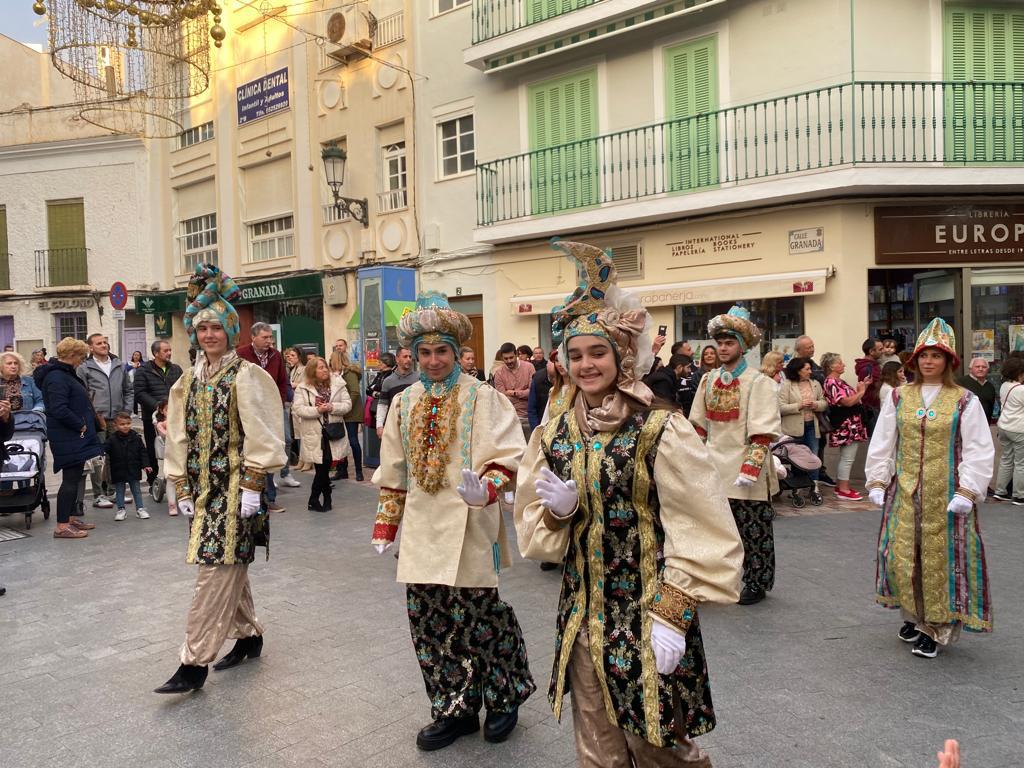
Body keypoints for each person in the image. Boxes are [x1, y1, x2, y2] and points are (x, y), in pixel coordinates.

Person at [515, 239, 742, 768]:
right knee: (597, 748)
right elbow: (534, 530)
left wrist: (674, 613)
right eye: (575, 355)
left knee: (659, 745)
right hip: (582, 613)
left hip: (646, 614)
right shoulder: (553, 434)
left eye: (597, 352)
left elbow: (704, 526)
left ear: (623, 357)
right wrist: (558, 512)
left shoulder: (660, 428)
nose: (586, 364)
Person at [371, 291, 535, 752]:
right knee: (431, 623)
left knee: (484, 619)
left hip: (471, 522)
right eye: (424, 352)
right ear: (413, 355)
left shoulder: (483, 398)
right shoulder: (404, 402)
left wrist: (488, 488)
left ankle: (504, 697)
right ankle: (454, 706)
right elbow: (394, 468)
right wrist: (386, 524)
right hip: (423, 530)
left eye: (441, 350)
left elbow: (508, 455)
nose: (433, 359)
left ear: (458, 352)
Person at [156, 264, 285, 695]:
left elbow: (264, 432)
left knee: (214, 571)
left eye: (217, 327)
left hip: (236, 490)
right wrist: (180, 484)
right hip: (203, 491)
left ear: (232, 331)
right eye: (203, 328)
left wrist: (253, 485)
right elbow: (178, 434)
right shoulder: (188, 380)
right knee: (228, 567)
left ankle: (193, 663)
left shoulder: (247, 376)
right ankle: (249, 637)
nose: (210, 334)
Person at [865, 318, 993, 659]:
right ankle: (913, 615)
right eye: (924, 355)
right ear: (915, 360)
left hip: (947, 496)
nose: (929, 361)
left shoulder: (964, 400)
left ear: (949, 361)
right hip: (905, 492)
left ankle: (936, 626)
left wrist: (968, 490)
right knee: (903, 556)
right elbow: (883, 441)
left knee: (943, 561)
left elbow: (978, 448)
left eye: (937, 356)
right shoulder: (898, 396)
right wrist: (878, 479)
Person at [690, 305, 781, 606]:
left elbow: (763, 431)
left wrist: (751, 467)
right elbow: (698, 425)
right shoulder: (708, 380)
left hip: (744, 467)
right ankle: (717, 579)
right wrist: (693, 461)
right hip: (714, 465)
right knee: (715, 529)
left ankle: (757, 581)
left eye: (729, 343)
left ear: (742, 347)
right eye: (720, 343)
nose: (723, 348)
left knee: (753, 530)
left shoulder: (758, 382)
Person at [35, 338, 103, 539]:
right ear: (72, 356)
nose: (82, 360)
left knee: (74, 476)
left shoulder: (64, 373)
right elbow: (58, 408)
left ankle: (71, 517)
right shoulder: (57, 377)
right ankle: (62, 525)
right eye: (81, 356)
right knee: (70, 479)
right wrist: (80, 424)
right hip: (69, 435)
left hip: (73, 434)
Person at [237, 322, 295, 511]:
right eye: (265, 337)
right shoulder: (241, 355)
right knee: (252, 451)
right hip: (249, 410)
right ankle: (251, 493)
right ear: (253, 337)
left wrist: (278, 402)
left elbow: (281, 382)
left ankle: (270, 497)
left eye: (271, 337)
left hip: (271, 410)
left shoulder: (276, 356)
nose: (270, 341)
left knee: (274, 446)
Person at [78, 333, 133, 510]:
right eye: (99, 343)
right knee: (97, 457)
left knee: (116, 455)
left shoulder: (118, 365)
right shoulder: (85, 367)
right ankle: (98, 494)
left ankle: (113, 490)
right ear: (91, 348)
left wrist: (126, 411)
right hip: (97, 418)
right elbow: (82, 394)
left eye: (105, 342)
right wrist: (92, 414)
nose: (104, 345)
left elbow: (128, 390)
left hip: (117, 416)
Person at [294, 355, 352, 511]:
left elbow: (347, 405)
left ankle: (316, 499)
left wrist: (332, 407)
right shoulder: (303, 388)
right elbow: (298, 409)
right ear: (313, 370)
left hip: (333, 432)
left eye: (326, 366)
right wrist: (317, 410)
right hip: (315, 433)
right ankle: (323, 498)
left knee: (325, 467)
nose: (325, 370)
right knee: (322, 468)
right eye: (321, 367)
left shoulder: (338, 384)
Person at [778, 356, 828, 504]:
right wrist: (799, 405)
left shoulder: (815, 384)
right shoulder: (787, 385)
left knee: (813, 456)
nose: (810, 371)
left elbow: (824, 402)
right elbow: (780, 407)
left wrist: (816, 405)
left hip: (812, 425)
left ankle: (814, 487)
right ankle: (797, 488)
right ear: (798, 371)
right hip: (793, 427)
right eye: (807, 369)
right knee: (796, 457)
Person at [132, 340, 183, 485]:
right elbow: (140, 393)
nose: (169, 353)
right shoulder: (143, 370)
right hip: (152, 417)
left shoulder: (176, 369)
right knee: (153, 449)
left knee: (176, 447)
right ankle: (152, 479)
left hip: (175, 417)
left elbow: (183, 389)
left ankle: (175, 476)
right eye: (166, 350)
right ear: (156, 353)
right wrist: (158, 407)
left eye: (170, 350)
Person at [821, 353, 869, 501]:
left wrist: (861, 388)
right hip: (846, 423)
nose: (843, 365)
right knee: (848, 457)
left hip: (850, 422)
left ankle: (842, 485)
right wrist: (861, 392)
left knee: (847, 456)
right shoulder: (832, 382)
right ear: (832, 366)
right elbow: (846, 402)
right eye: (840, 363)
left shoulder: (837, 381)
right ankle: (843, 489)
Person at [104, 411, 151, 521]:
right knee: (120, 490)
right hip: (118, 469)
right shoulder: (112, 439)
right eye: (122, 424)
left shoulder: (136, 437)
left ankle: (140, 509)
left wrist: (146, 465)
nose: (125, 426)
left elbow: (143, 452)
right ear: (116, 426)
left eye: (128, 423)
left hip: (133, 468)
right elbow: (105, 449)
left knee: (136, 490)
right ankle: (121, 510)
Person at [328, 349, 363, 482]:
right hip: (340, 412)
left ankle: (359, 471)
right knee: (340, 441)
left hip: (350, 412)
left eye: (331, 359)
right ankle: (342, 471)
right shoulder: (334, 375)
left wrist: (346, 408)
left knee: (353, 441)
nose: (329, 361)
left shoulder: (350, 373)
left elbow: (354, 392)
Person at [994, 356, 1024, 504]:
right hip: (1019, 429)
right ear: (1019, 372)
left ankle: (1000, 491)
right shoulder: (1021, 389)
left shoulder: (1004, 386)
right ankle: (1019, 495)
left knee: (1006, 459)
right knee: (1021, 463)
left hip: (1004, 427)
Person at [493, 341, 533, 441]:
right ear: (502, 358)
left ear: (516, 355)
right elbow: (502, 398)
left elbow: (532, 393)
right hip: (509, 419)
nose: (509, 361)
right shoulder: (499, 373)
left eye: (511, 357)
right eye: (506, 359)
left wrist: (513, 393)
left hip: (528, 417)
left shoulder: (529, 367)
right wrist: (523, 393)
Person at [375, 347, 417, 438]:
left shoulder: (419, 379)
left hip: (416, 426)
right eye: (405, 356)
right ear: (397, 359)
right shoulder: (388, 381)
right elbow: (382, 404)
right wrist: (379, 426)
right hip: (395, 426)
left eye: (410, 357)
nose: (408, 359)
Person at [0, 351, 45, 415]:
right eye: (9, 363)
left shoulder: (29, 381)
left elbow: (41, 400)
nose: (13, 366)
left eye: (16, 363)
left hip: (28, 421)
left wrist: (36, 411)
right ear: (1, 366)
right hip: (4, 421)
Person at [283, 347, 306, 469]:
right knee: (297, 433)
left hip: (301, 403)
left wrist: (294, 385)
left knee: (302, 433)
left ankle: (306, 460)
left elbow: (307, 383)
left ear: (299, 356)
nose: (290, 358)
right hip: (294, 403)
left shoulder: (304, 369)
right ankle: (301, 459)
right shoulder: (292, 370)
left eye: (292, 355)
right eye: (288, 356)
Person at [855, 337, 883, 434]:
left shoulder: (874, 366)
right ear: (871, 351)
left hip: (876, 407)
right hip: (872, 410)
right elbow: (863, 390)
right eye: (880, 349)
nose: (883, 351)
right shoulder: (867, 369)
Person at [957, 357, 996, 422]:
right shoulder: (960, 383)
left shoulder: (990, 386)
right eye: (977, 366)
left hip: (984, 424)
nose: (980, 369)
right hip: (965, 424)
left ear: (988, 370)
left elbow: (990, 408)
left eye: (984, 367)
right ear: (970, 369)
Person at [367, 352, 396, 430]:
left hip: (387, 410)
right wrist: (377, 394)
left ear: (386, 363)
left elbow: (387, 393)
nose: (378, 364)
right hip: (377, 409)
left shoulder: (392, 375)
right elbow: (368, 390)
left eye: (380, 362)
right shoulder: (380, 375)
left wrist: (375, 392)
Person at [526, 353, 554, 431]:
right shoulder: (538, 379)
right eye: (553, 361)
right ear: (547, 363)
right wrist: (536, 431)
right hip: (542, 424)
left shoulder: (568, 378)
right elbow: (532, 409)